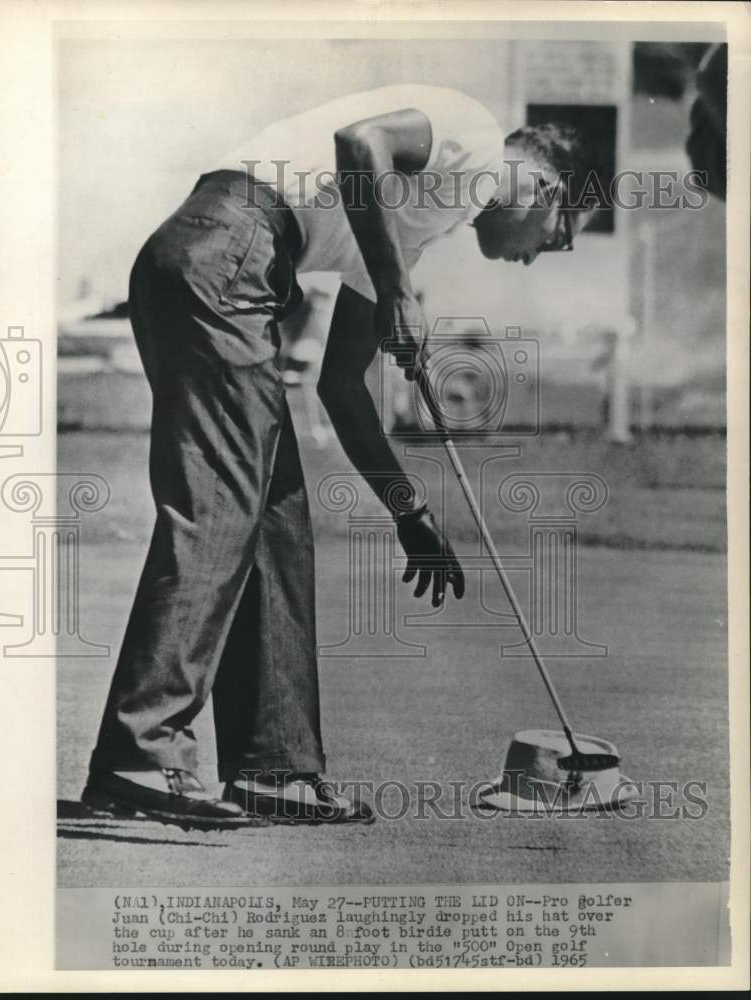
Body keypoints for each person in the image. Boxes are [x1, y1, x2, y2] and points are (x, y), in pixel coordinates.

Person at [83, 84, 597, 829]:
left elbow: (342, 387)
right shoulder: (476, 136)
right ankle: (139, 753)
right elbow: (360, 142)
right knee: (224, 506)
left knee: (276, 516)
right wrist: (396, 292)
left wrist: (408, 511)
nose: (548, 252)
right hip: (228, 246)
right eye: (561, 231)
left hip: (221, 263)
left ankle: (274, 768)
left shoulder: (411, 226)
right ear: (546, 188)